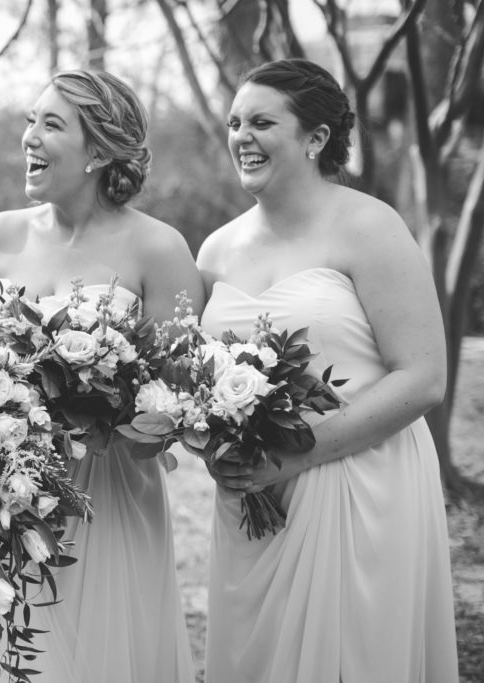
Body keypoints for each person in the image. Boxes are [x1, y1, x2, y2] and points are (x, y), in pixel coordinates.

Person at [197, 58, 459, 683]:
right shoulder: (216, 249)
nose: (242, 137)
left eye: (262, 123)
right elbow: (199, 384)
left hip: (359, 483)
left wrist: (298, 454)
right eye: (235, 123)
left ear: (316, 137)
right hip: (254, 499)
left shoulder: (370, 227)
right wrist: (214, 449)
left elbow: (423, 377)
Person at [0, 69, 199, 683]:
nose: (30, 137)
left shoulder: (160, 248)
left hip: (109, 491)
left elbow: (176, 403)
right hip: (7, 487)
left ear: (98, 151)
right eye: (31, 121)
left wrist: (101, 406)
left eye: (51, 125)